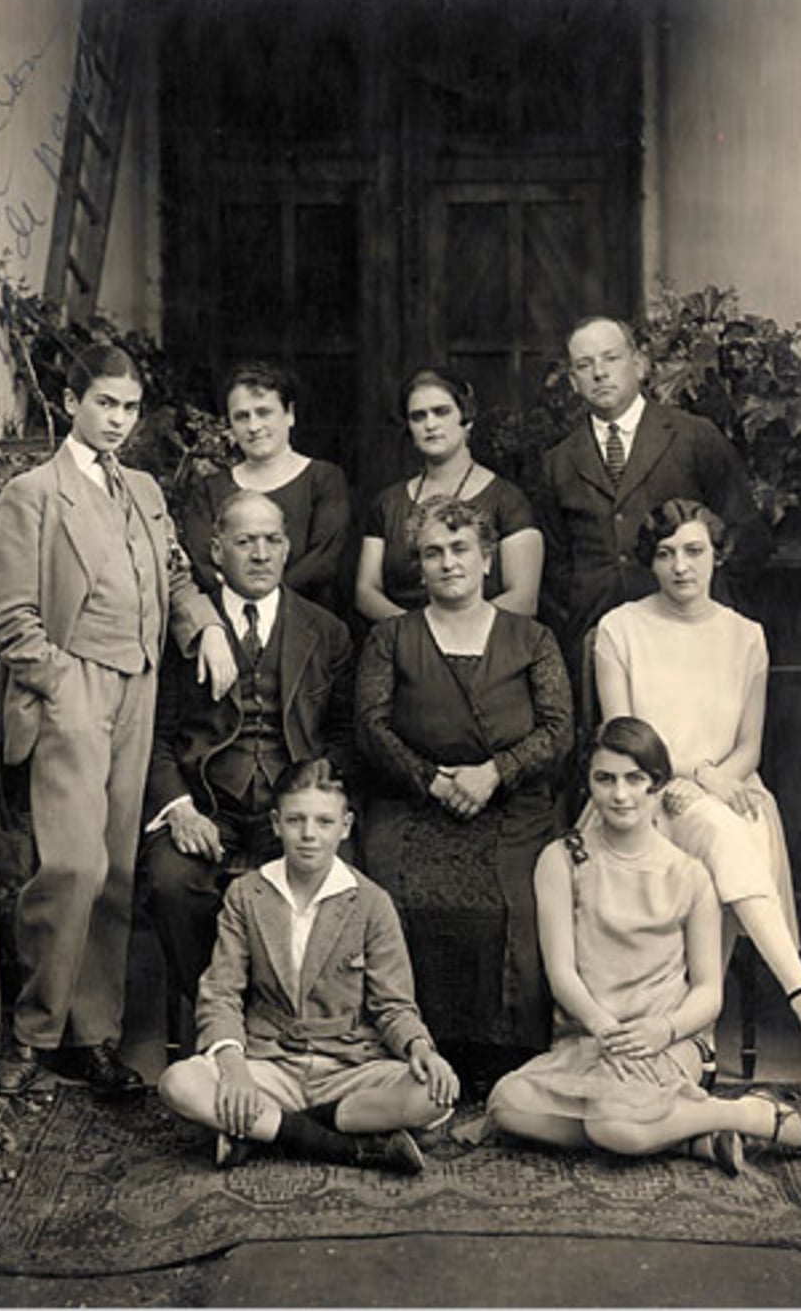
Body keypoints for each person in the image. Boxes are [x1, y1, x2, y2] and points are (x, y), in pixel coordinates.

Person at [0, 344, 237, 1096]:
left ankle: (90, 1036)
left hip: (139, 687)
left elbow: (178, 574)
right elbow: (8, 619)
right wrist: (60, 683)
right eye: (105, 404)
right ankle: (32, 1033)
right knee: (74, 864)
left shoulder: (148, 492)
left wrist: (206, 629)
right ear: (71, 403)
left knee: (119, 869)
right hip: (73, 687)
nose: (119, 420)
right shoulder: (33, 494)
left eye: (129, 408)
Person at [487, 718, 801, 1174]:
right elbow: (562, 973)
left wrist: (663, 1031)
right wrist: (606, 1032)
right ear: (589, 784)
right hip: (593, 1039)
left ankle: (752, 1115)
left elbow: (709, 993)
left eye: (636, 779)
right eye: (605, 779)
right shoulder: (561, 859)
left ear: (659, 785)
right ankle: (694, 1137)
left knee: (614, 1125)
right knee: (507, 1106)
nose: (621, 795)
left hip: (670, 1043)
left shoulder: (690, 874)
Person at [593, 498, 801, 1066]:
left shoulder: (746, 636)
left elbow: (749, 747)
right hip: (639, 793)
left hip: (730, 788)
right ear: (650, 562)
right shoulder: (620, 629)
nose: (680, 566)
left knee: (729, 829)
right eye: (665, 554)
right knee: (721, 827)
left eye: (694, 551)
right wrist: (687, 777)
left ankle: (700, 1034)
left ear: (717, 555)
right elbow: (623, 737)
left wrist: (710, 781)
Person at [356, 495, 573, 1095]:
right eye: (433, 553)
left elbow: (558, 730)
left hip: (511, 807)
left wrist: (495, 773)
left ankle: (502, 1065)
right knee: (392, 893)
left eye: (460, 550)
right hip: (413, 802)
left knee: (516, 907)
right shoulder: (391, 638)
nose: (448, 563)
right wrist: (431, 778)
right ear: (418, 567)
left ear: (487, 560)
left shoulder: (532, 639)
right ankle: (410, 1051)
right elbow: (372, 726)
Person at [158, 759, 460, 1175]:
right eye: (296, 820)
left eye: (323, 821)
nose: (309, 835)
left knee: (433, 1097)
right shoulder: (248, 895)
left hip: (348, 1067)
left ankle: (264, 1131)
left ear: (346, 826)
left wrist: (420, 1049)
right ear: (276, 823)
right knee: (179, 1084)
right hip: (270, 1062)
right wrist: (234, 1070)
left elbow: (394, 1005)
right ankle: (346, 1147)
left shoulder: (371, 902)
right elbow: (221, 992)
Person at [143, 489, 353, 1002]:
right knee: (173, 882)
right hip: (208, 804)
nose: (260, 554)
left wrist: (314, 798)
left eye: (272, 540)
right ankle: (210, 1012)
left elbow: (346, 735)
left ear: (287, 548)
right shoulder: (182, 631)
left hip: (291, 807)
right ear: (217, 551)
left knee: (337, 881)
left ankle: (292, 1021)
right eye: (244, 541)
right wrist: (180, 809)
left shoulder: (326, 631)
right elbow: (154, 734)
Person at [541, 316, 772, 685]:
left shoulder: (694, 437)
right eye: (585, 365)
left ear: (639, 364)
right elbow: (554, 565)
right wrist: (580, 613)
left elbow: (745, 536)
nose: (599, 373)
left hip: (688, 639)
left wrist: (704, 605)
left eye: (610, 358)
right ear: (573, 381)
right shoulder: (558, 462)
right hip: (599, 641)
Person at [356, 366, 543, 622]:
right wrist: (416, 634)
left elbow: (523, 598)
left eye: (441, 412)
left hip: (486, 646)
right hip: (404, 643)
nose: (430, 424)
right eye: (418, 416)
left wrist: (453, 633)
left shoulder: (508, 501)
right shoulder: (388, 504)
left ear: (466, 418)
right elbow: (366, 592)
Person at [182, 361, 350, 611]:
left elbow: (322, 562)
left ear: (289, 414)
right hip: (229, 626)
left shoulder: (324, 480)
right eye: (241, 416)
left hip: (307, 625)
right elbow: (203, 564)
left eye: (264, 412)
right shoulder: (209, 490)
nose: (253, 427)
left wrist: (262, 602)